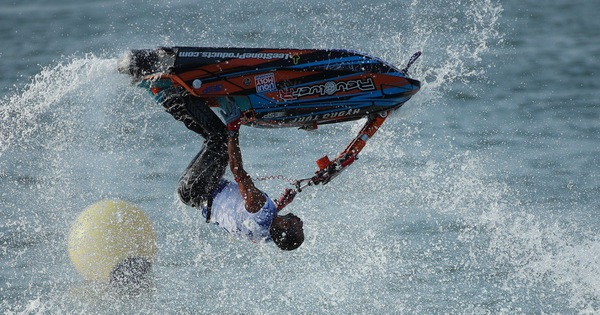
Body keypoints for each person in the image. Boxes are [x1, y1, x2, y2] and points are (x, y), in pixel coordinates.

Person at [157, 87, 304, 250]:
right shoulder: (266, 236)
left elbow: (237, 171)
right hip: (194, 195)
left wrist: (233, 130)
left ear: (285, 226)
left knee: (221, 140)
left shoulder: (260, 208)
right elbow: (258, 220)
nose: (301, 222)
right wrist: (279, 205)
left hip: (198, 187)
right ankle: (167, 98)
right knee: (213, 139)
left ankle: (180, 95)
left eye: (299, 227)